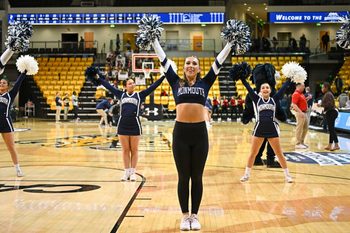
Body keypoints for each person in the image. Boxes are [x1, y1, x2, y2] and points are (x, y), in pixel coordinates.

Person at [151, 32, 234, 231]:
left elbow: (219, 61)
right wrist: (153, 39)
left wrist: (230, 43)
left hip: (199, 134)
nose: (190, 66)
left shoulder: (205, 83)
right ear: (183, 66)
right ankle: (183, 216)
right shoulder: (175, 82)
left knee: (197, 176)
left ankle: (194, 216)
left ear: (199, 68)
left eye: (194, 64)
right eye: (188, 63)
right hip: (180, 134)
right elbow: (162, 59)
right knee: (183, 177)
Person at [90, 73, 165, 181]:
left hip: (135, 124)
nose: (132, 85)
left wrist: (162, 77)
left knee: (134, 150)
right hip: (123, 124)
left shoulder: (140, 95)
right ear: (125, 86)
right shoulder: (121, 94)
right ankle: (126, 172)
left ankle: (133, 172)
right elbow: (109, 86)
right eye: (130, 83)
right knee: (125, 150)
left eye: (133, 83)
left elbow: (153, 86)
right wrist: (99, 79)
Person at [236, 67, 293, 183]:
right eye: (263, 88)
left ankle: (287, 175)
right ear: (260, 91)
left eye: (267, 87)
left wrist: (289, 79)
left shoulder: (274, 99)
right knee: (253, 153)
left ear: (270, 90)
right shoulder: (257, 99)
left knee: (279, 153)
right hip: (259, 129)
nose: (265, 89)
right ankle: (246, 175)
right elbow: (248, 89)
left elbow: (283, 89)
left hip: (272, 130)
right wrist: (242, 79)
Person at [0, 74, 26, 177]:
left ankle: (18, 169)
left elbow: (18, 84)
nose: (1, 84)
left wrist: (24, 72)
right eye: (0, 83)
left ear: (7, 86)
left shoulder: (10, 95)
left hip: (6, 123)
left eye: (4, 83)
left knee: (11, 147)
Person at [320, 82, 340, 151]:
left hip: (331, 112)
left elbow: (329, 104)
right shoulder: (328, 94)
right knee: (331, 129)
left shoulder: (328, 94)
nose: (321, 89)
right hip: (332, 112)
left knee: (331, 129)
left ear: (326, 87)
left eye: (322, 87)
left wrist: (321, 105)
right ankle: (330, 145)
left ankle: (336, 144)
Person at [291, 83, 309, 149]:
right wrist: (300, 112)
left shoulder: (301, 94)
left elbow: (301, 102)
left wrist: (307, 99)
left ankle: (302, 142)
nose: (304, 87)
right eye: (303, 85)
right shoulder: (296, 94)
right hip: (300, 113)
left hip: (304, 112)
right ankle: (297, 143)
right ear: (298, 86)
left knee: (305, 127)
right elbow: (294, 105)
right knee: (299, 128)